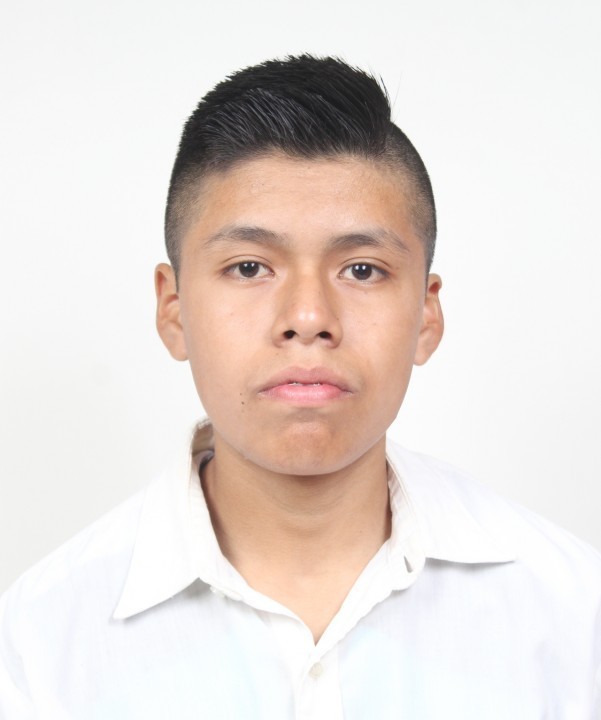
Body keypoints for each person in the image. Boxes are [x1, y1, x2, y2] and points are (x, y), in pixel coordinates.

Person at [1, 55, 599, 719]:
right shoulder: (40, 641)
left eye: (362, 270)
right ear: (173, 310)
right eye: (249, 267)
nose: (308, 318)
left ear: (427, 316)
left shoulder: (573, 612)